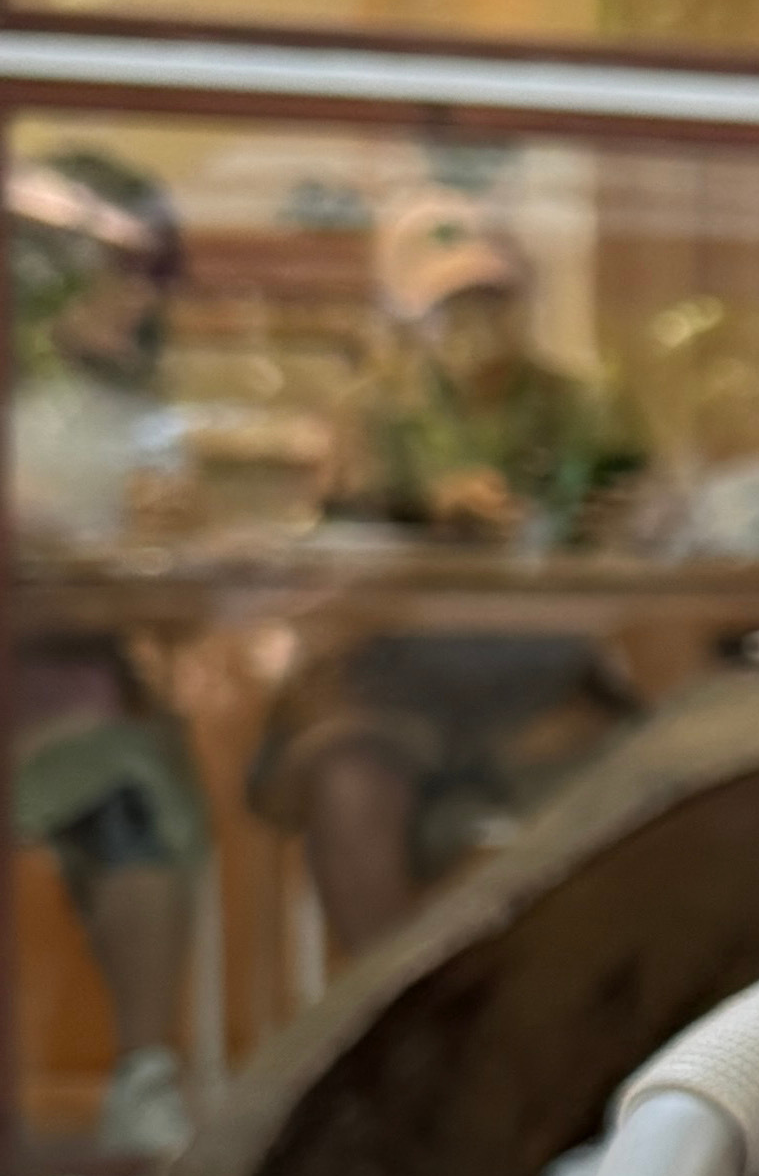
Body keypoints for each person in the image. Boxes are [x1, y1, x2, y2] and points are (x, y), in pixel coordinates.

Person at [252, 191, 647, 961]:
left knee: (633, 785)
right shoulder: (366, 413)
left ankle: (573, 1026)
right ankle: (391, 1021)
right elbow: (320, 554)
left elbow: (642, 513)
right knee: (348, 780)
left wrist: (611, 521)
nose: (476, 324)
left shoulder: (585, 406)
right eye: (452, 304)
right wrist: (421, 513)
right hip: (388, 674)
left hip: (543, 670)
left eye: (491, 299)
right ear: (408, 313)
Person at [9, 145, 215, 1170]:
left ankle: (145, 1075)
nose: (138, 295)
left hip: (73, 696)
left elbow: (164, 596)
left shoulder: (145, 415)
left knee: (136, 792)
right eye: (119, 268)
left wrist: (176, 559)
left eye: (151, 273)